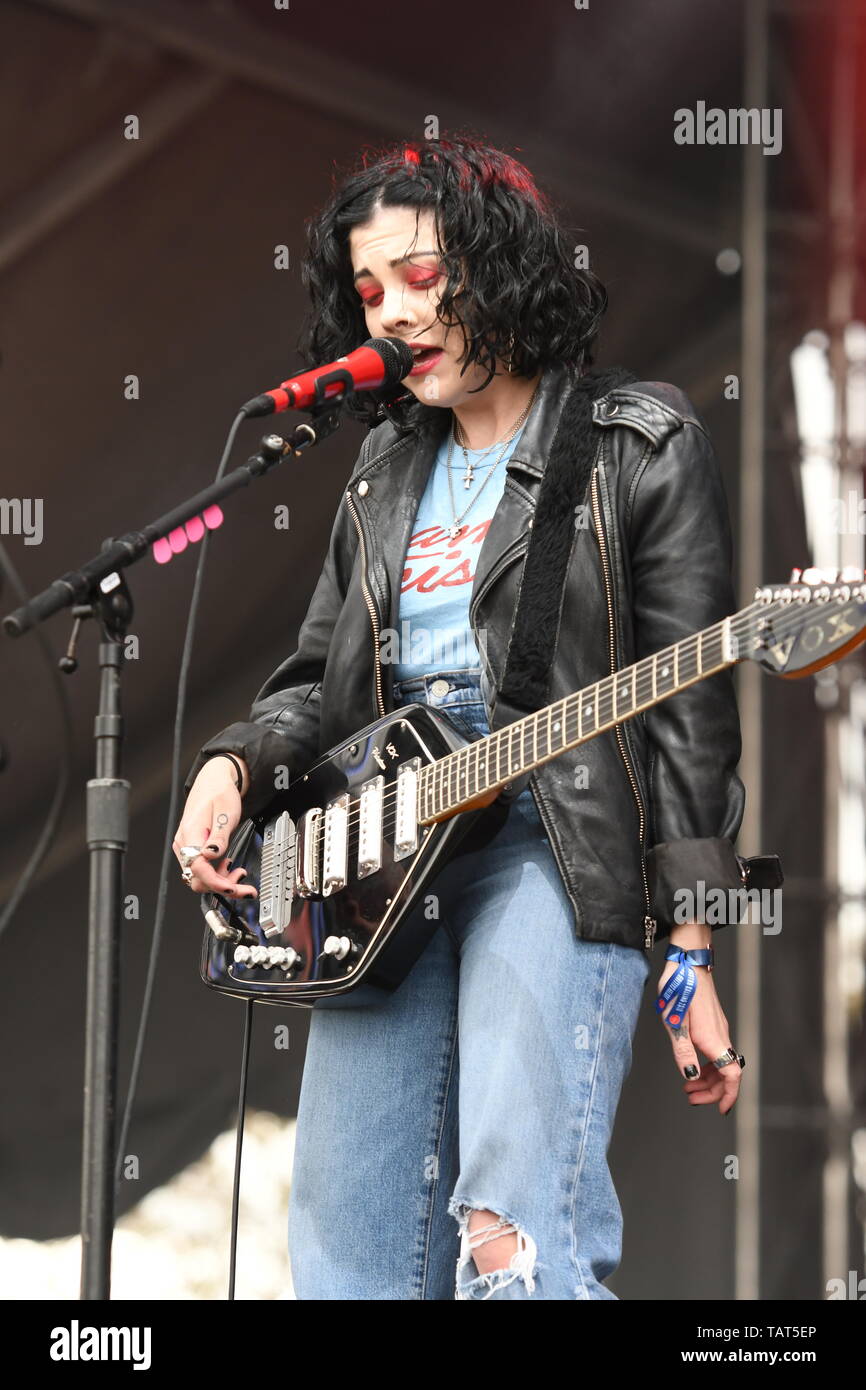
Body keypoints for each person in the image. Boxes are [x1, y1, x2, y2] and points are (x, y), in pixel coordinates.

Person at [174, 136, 749, 1300]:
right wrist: (233, 764)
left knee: (510, 1230)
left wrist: (688, 948)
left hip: (553, 836)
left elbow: (690, 710)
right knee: (346, 1259)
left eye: (422, 275)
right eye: (369, 289)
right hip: (381, 862)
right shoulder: (385, 466)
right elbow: (313, 681)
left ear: (499, 261)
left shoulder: (635, 439)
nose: (392, 313)